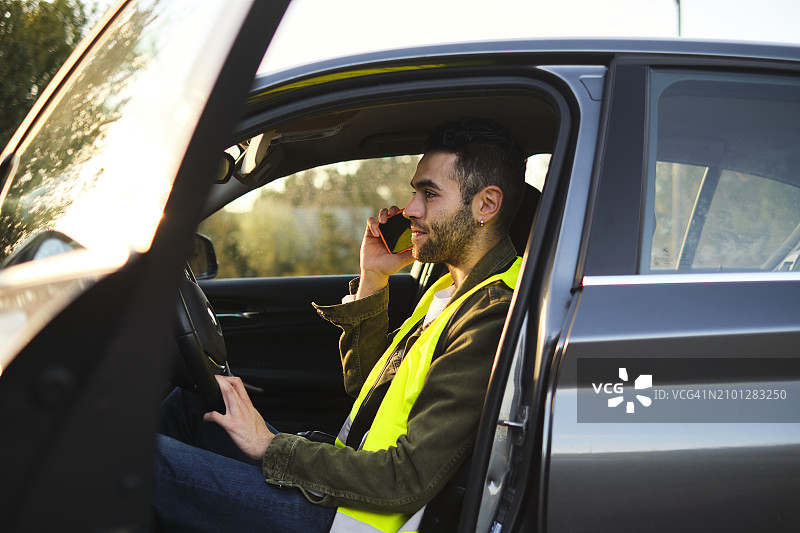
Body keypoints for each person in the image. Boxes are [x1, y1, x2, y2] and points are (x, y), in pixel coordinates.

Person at [154, 117, 529, 533]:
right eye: (414, 191)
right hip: (346, 485)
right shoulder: (451, 288)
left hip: (356, 521)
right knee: (193, 409)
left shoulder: (491, 314)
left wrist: (271, 447)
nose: (410, 210)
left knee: (138, 461)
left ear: (486, 205)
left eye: (429, 193)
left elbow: (404, 480)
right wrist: (373, 279)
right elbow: (368, 392)